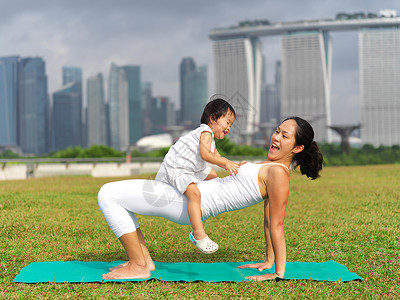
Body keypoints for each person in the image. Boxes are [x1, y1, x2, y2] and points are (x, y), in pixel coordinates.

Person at [98, 116, 323, 281]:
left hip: (188, 202)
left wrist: (278, 272)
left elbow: (276, 224)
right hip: (189, 194)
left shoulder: (278, 175)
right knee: (116, 196)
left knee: (108, 195)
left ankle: (138, 265)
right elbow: (267, 222)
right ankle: (143, 261)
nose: (276, 137)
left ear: (298, 147)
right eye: (277, 131)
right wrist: (268, 260)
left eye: (285, 136)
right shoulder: (270, 166)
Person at [155, 98, 241, 254]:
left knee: (214, 175)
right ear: (213, 118)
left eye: (231, 125)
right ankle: (198, 234)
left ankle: (204, 202)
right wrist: (227, 163)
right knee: (194, 194)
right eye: (227, 122)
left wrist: (233, 166)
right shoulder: (206, 132)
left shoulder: (210, 138)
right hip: (177, 168)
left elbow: (218, 159)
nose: (229, 127)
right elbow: (206, 155)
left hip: (191, 168)